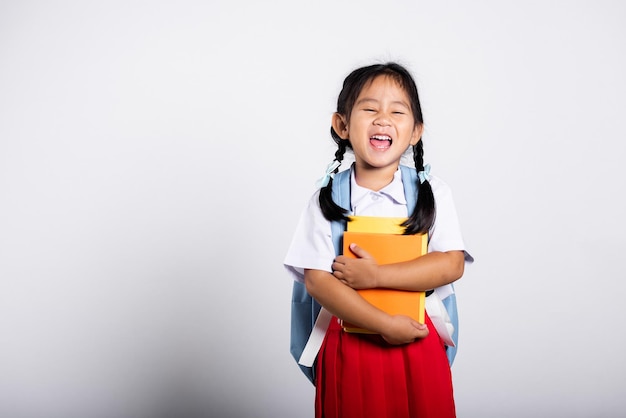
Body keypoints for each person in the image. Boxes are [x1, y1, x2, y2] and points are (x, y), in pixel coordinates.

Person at [284, 62, 473, 418]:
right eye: (369, 108)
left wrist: (376, 276)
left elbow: (451, 263)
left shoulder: (433, 193)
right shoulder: (326, 199)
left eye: (397, 111)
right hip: (348, 344)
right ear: (341, 125)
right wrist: (384, 324)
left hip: (418, 335)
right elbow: (318, 281)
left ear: (416, 131)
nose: (383, 119)